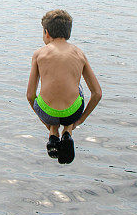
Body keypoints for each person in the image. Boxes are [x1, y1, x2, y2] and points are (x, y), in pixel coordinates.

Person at [26, 10, 102, 164]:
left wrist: (45, 122)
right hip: (72, 114)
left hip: (47, 113)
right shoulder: (79, 54)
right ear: (68, 33)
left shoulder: (38, 54)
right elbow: (97, 93)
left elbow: (30, 95)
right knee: (76, 88)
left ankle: (53, 133)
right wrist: (80, 120)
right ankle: (67, 131)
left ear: (46, 33)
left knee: (46, 98)